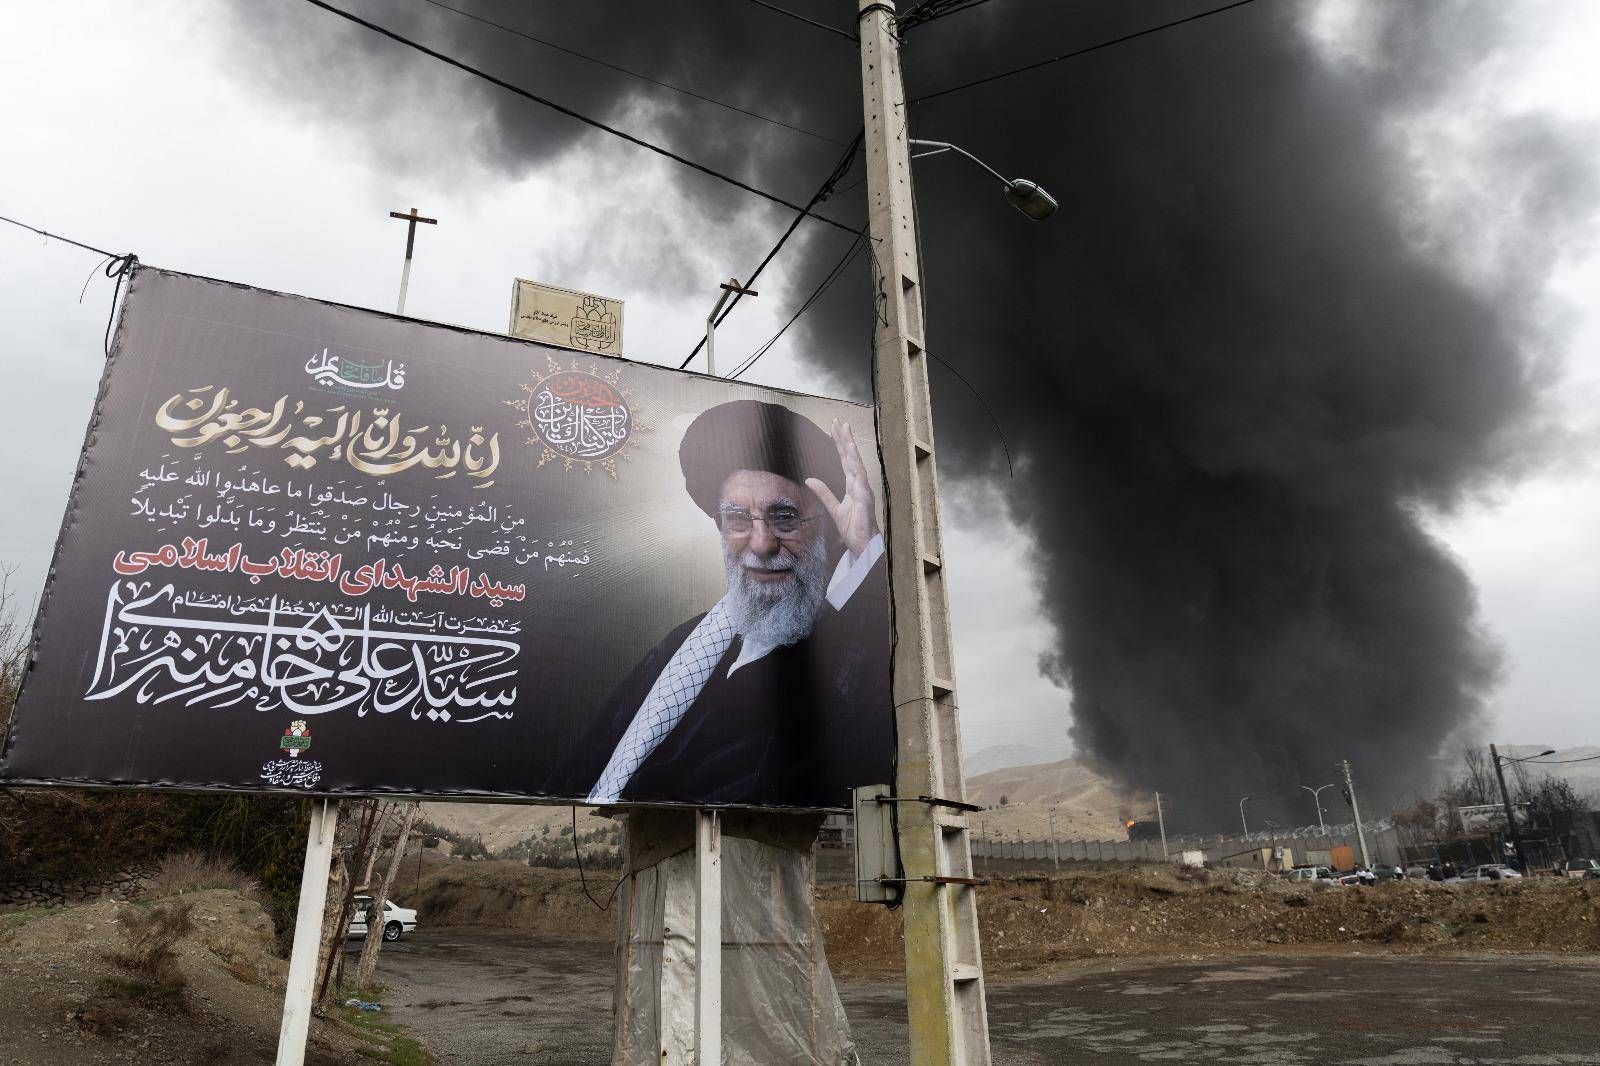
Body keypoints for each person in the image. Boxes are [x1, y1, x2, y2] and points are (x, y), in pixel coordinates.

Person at [565, 399, 892, 809]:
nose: (761, 543)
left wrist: (866, 551)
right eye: (738, 520)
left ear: (829, 528)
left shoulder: (839, 657)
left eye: (784, 518)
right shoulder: (683, 644)